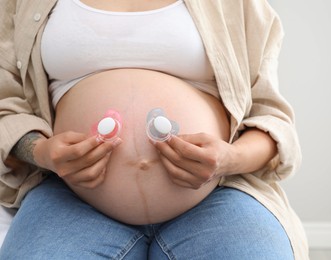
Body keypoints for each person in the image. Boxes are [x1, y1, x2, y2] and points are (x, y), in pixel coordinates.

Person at [0, 0, 309, 259]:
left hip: (219, 196)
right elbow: (6, 105)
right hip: (70, 199)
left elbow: (271, 117)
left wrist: (229, 157)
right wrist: (41, 152)